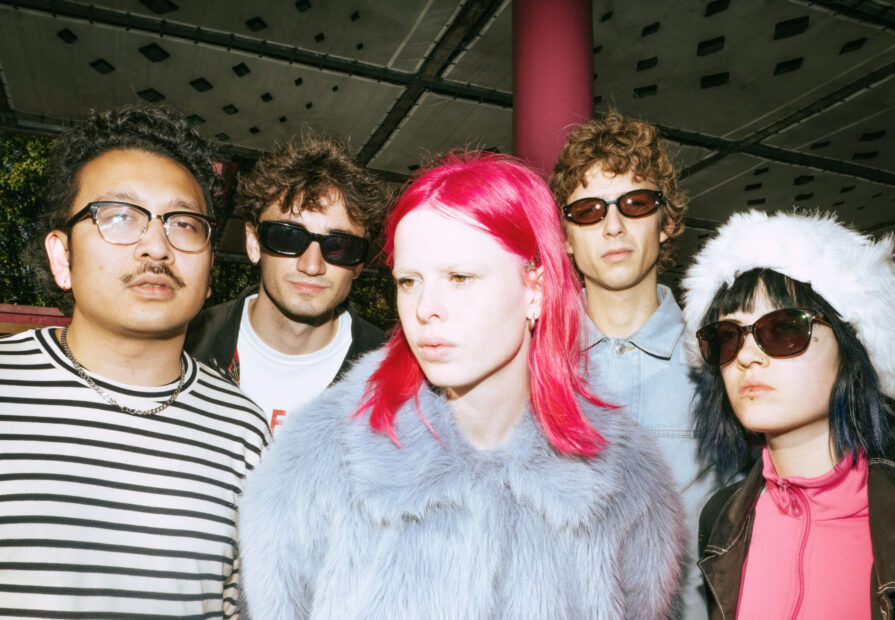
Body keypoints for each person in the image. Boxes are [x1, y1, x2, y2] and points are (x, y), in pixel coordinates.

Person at [239, 152, 685, 619]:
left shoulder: (629, 479)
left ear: (535, 288)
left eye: (459, 277)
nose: (425, 308)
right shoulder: (316, 460)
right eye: (409, 281)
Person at [0, 105, 270, 618]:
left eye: (184, 224)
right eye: (119, 216)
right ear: (62, 257)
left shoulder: (244, 432)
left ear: (210, 269)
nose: (156, 247)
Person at [681, 210, 895, 619]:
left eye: (783, 329)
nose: (747, 356)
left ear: (853, 348)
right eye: (727, 337)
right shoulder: (722, 520)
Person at [550, 111, 720, 618]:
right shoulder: (526, 367)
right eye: (588, 210)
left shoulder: (726, 363)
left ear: (666, 222)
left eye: (636, 203)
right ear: (564, 236)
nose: (613, 226)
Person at [186, 132, 391, 431]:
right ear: (253, 242)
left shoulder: (394, 373)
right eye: (287, 237)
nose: (312, 265)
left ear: (358, 264)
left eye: (339, 246)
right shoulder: (183, 347)